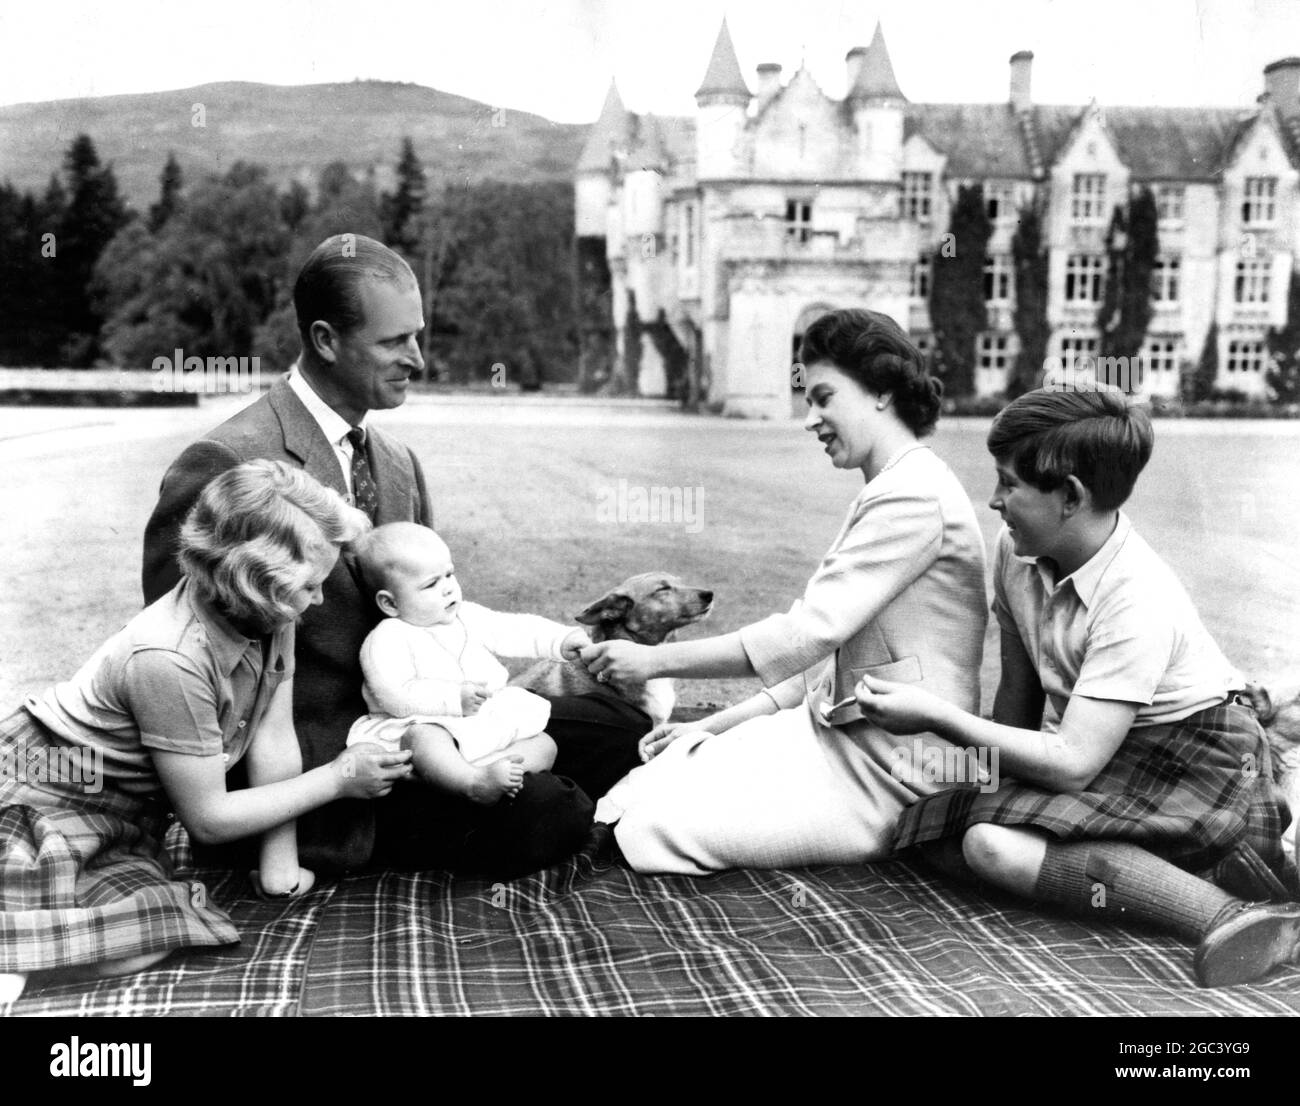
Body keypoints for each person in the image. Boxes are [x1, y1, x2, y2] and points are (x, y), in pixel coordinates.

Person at [142, 233, 624, 876]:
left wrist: (473, 714)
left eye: (417, 336)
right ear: (324, 339)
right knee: (547, 810)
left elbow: (435, 617)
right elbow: (183, 655)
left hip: (433, 725)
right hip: (328, 771)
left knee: (615, 725)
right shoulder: (228, 463)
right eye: (395, 342)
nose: (418, 359)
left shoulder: (398, 464)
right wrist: (302, 799)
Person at [859, 385, 1299, 988]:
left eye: (1009, 484)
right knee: (927, 829)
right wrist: (983, 777)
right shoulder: (1017, 549)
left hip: (1201, 764)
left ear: (1070, 497)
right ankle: (1154, 878)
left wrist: (937, 717)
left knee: (990, 845)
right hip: (1106, 754)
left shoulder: (1137, 597)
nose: (993, 501)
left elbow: (1070, 766)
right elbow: (1020, 692)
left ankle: (1235, 915)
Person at [580, 308, 989, 873]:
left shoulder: (913, 497)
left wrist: (652, 660)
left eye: (824, 398)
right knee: (655, 776)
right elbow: (818, 666)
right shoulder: (892, 486)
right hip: (836, 741)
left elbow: (804, 636)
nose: (809, 419)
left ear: (881, 391)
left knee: (650, 829)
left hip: (895, 775)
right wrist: (708, 726)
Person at [0, 461, 411, 1008]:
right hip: (41, 791)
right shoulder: (169, 657)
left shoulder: (270, 610)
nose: (316, 601)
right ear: (252, 581)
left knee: (153, 923)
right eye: (310, 587)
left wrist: (278, 864)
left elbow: (272, 734)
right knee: (134, 936)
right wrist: (338, 779)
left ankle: (28, 944)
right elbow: (210, 820)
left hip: (119, 814)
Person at [348, 522, 591, 805]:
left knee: (545, 744)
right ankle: (472, 783)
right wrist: (452, 698)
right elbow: (394, 694)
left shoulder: (467, 616)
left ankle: (500, 773)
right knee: (424, 738)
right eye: (431, 584)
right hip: (423, 723)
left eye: (449, 574)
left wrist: (560, 640)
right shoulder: (388, 637)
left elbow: (512, 628)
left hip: (479, 724)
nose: (448, 589)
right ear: (390, 604)